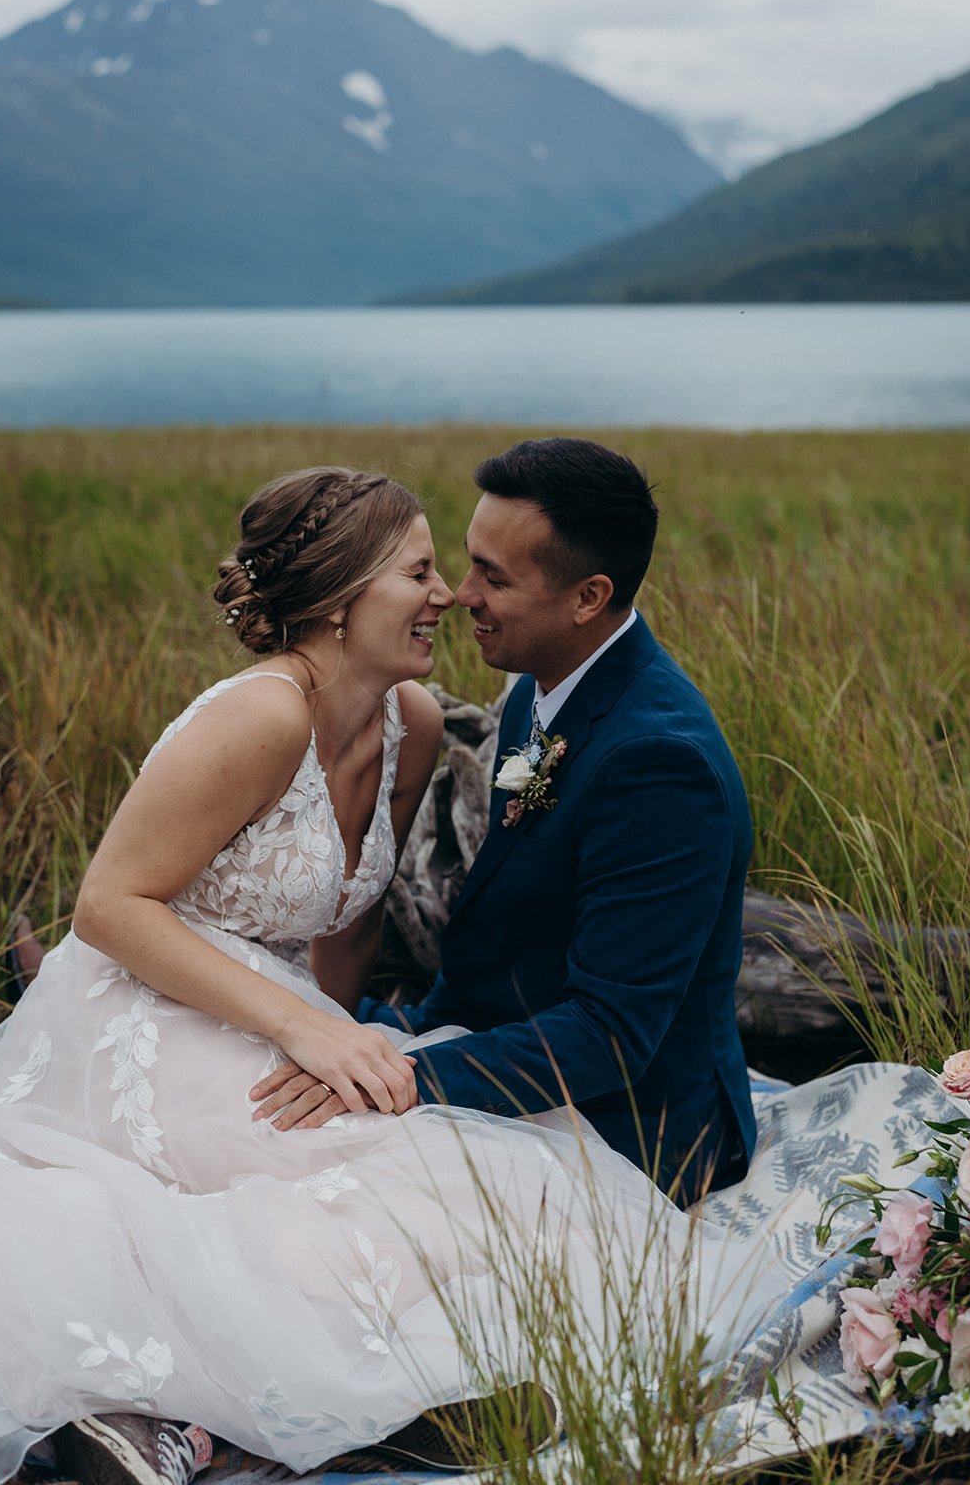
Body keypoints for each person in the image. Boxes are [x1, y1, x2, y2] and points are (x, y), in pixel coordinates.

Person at [0, 464, 785, 1485]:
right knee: (306, 1212)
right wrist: (318, 1038)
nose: (452, 596)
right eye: (430, 571)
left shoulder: (419, 722)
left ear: (586, 598)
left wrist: (350, 1041)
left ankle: (407, 1389)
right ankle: (182, 1410)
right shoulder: (260, 717)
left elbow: (348, 927)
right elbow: (109, 905)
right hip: (155, 1008)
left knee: (416, 1186)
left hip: (299, 1018)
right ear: (341, 602)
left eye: (476, 574)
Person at [251, 439, 755, 1198]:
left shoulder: (659, 766)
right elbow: (512, 868)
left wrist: (400, 1074)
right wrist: (408, 1029)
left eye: (494, 576)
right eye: (466, 562)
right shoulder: (534, 692)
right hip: (501, 1038)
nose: (458, 595)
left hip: (638, 1125)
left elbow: (609, 1037)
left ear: (587, 597)